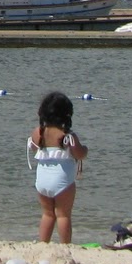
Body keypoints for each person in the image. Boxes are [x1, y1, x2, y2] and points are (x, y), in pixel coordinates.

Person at [29, 91, 88, 243]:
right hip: (62, 181)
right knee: (63, 215)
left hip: (42, 180)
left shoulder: (38, 132)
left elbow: (35, 149)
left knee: (47, 214)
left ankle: (43, 244)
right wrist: (85, 149)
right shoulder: (68, 136)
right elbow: (79, 154)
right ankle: (65, 246)